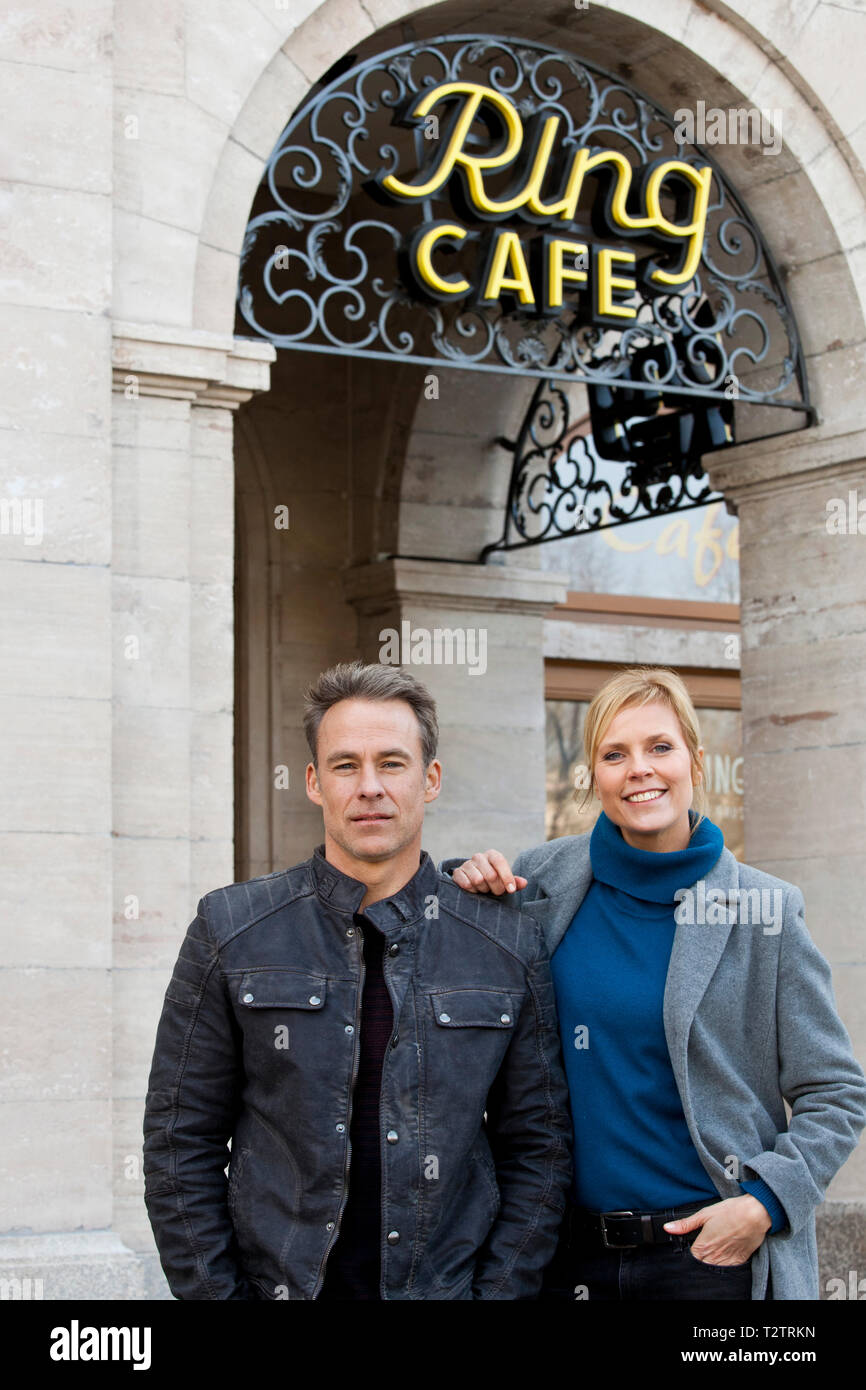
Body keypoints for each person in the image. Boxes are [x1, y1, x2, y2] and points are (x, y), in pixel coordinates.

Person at [142, 661, 572, 1300]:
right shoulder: (230, 927)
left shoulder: (505, 942)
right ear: (314, 783)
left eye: (392, 763)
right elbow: (180, 1142)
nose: (369, 786)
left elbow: (540, 1151)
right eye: (346, 765)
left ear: (430, 779)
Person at [448, 666, 866, 1301]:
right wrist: (463, 880)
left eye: (660, 747)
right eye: (615, 754)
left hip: (709, 1259)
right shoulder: (542, 882)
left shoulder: (766, 910)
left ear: (695, 761)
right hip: (563, 1261)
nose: (638, 768)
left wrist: (763, 1204)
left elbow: (835, 1092)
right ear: (594, 776)